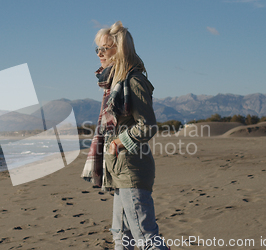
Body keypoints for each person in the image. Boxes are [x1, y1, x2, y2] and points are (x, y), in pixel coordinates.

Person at [81, 21, 169, 250]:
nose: (100, 54)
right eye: (98, 49)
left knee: (146, 238)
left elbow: (148, 125)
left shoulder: (133, 80)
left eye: (105, 48)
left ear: (120, 50)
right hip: (119, 169)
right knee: (121, 237)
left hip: (131, 168)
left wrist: (118, 142)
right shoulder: (114, 83)